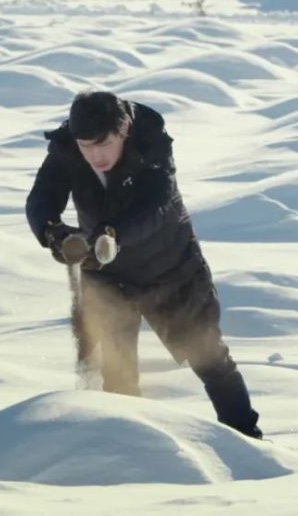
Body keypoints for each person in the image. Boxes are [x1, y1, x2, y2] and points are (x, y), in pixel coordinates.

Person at [25, 90, 263, 440]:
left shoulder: (152, 145)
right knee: (117, 374)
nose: (95, 155)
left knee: (209, 359)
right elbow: (42, 197)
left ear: (123, 130)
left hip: (170, 270)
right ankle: (132, 452)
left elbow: (157, 205)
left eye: (103, 144)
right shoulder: (67, 149)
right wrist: (52, 232)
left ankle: (250, 440)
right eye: (86, 146)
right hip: (106, 276)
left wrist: (113, 235)